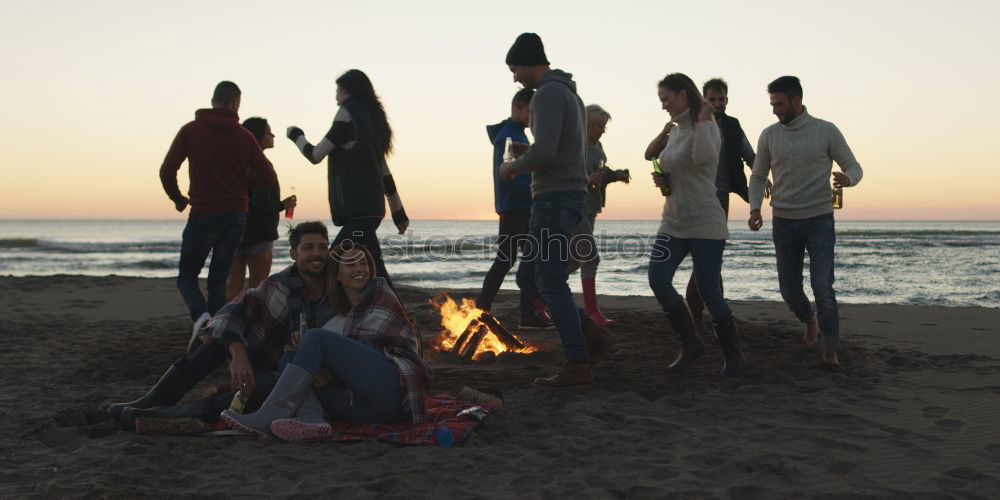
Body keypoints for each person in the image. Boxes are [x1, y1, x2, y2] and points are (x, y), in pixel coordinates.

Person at [107, 222, 334, 427]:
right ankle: (153, 401)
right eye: (308, 247)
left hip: (293, 374)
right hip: (262, 361)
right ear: (294, 253)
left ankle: (172, 413)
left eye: (322, 247)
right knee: (217, 338)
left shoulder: (336, 287)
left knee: (270, 385)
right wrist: (237, 352)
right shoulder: (280, 284)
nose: (317, 254)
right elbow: (232, 310)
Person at [222, 242, 432, 440]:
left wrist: (330, 375)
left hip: (393, 392)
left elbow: (378, 349)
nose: (359, 269)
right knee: (290, 355)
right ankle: (311, 419)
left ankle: (267, 415)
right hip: (365, 408)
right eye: (350, 264)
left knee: (313, 337)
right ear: (337, 275)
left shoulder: (381, 295)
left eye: (363, 263)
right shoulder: (337, 321)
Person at [498, 33, 615, 387]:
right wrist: (528, 153)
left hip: (555, 198)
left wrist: (512, 168)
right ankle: (591, 336)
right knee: (527, 278)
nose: (515, 77)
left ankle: (577, 363)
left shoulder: (548, 94)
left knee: (548, 280)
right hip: (564, 194)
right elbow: (559, 148)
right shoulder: (569, 94)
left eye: (515, 68)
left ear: (529, 62)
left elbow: (546, 154)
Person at [748, 76, 863, 368]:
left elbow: (853, 165)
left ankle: (830, 351)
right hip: (784, 221)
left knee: (823, 287)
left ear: (797, 101)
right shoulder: (769, 135)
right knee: (789, 289)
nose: (774, 110)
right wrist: (755, 208)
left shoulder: (825, 131)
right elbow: (759, 175)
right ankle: (809, 320)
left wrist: (848, 179)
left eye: (779, 104)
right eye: (772, 104)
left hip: (819, 220)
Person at [159, 81, 277, 342]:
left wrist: (178, 198)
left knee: (187, 276)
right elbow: (267, 176)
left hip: (202, 213)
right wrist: (242, 189)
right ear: (236, 104)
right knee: (217, 281)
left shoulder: (190, 131)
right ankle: (217, 335)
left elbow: (167, 171)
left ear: (213, 101)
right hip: (235, 216)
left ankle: (201, 316)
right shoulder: (244, 137)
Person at [646, 73, 745, 378]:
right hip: (673, 221)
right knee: (657, 278)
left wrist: (703, 120)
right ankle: (690, 342)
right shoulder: (675, 131)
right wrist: (665, 179)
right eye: (661, 100)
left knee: (708, 292)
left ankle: (733, 356)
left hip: (705, 222)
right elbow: (665, 161)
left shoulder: (709, 127)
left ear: (683, 95)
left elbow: (703, 159)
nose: (663, 105)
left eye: (666, 99)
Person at [286, 69, 408, 290]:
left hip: (356, 211)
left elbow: (315, 155)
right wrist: (398, 212)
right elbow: (384, 172)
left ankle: (395, 318)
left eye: (337, 91)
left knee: (335, 265)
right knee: (372, 269)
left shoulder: (347, 114)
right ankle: (386, 315)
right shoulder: (372, 122)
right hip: (371, 211)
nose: (335, 98)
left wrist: (296, 135)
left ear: (346, 91)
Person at [681, 78, 770, 332]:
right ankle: (705, 312)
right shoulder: (692, 123)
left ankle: (705, 314)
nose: (717, 104)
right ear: (704, 99)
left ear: (727, 101)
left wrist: (761, 177)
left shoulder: (732, 125)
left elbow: (750, 155)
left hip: (720, 199)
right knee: (705, 257)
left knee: (711, 256)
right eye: (712, 99)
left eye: (721, 99)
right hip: (694, 198)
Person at [477, 88, 551, 329]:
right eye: (531, 112)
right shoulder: (509, 136)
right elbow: (506, 175)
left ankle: (521, 314)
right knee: (514, 260)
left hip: (518, 206)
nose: (534, 118)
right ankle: (488, 309)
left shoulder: (516, 133)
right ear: (519, 108)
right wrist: (533, 193)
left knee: (521, 260)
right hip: (517, 207)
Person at [226, 117, 298, 301]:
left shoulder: (234, 162)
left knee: (233, 288)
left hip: (234, 231)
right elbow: (261, 203)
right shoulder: (261, 164)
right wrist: (283, 205)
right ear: (257, 136)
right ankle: (253, 326)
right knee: (258, 289)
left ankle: (227, 322)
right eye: (268, 132)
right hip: (259, 234)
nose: (273, 135)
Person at [574, 104, 629, 326]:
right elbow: (568, 173)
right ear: (585, 124)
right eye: (598, 126)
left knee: (574, 260)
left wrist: (617, 175)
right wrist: (588, 179)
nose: (602, 131)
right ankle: (592, 312)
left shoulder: (598, 147)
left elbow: (601, 174)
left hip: (592, 207)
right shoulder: (574, 146)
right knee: (589, 259)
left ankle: (539, 296)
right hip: (575, 207)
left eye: (604, 127)